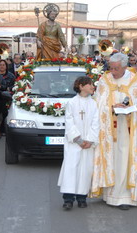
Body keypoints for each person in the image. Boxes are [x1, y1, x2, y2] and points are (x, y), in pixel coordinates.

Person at [91, 53, 137, 210]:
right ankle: (109, 194)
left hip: (128, 128)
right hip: (109, 129)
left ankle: (124, 197)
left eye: (116, 68)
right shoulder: (105, 80)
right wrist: (110, 108)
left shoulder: (134, 79)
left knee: (125, 159)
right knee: (112, 158)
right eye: (111, 68)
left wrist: (129, 106)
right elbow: (98, 102)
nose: (113, 71)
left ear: (125, 67)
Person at [58, 76, 99, 210]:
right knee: (71, 169)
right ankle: (68, 199)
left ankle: (82, 197)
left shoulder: (93, 103)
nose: (92, 86)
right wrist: (79, 140)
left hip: (88, 143)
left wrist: (90, 140)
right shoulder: (72, 103)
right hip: (74, 143)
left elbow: (96, 123)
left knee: (85, 169)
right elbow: (69, 123)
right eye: (90, 84)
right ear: (81, 86)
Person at [0, 59, 15, 135]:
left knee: (5, 114)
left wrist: (7, 88)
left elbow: (14, 86)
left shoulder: (11, 76)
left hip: (7, 97)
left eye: (3, 65)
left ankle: (3, 130)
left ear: (6, 66)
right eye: (0, 65)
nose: (2, 66)